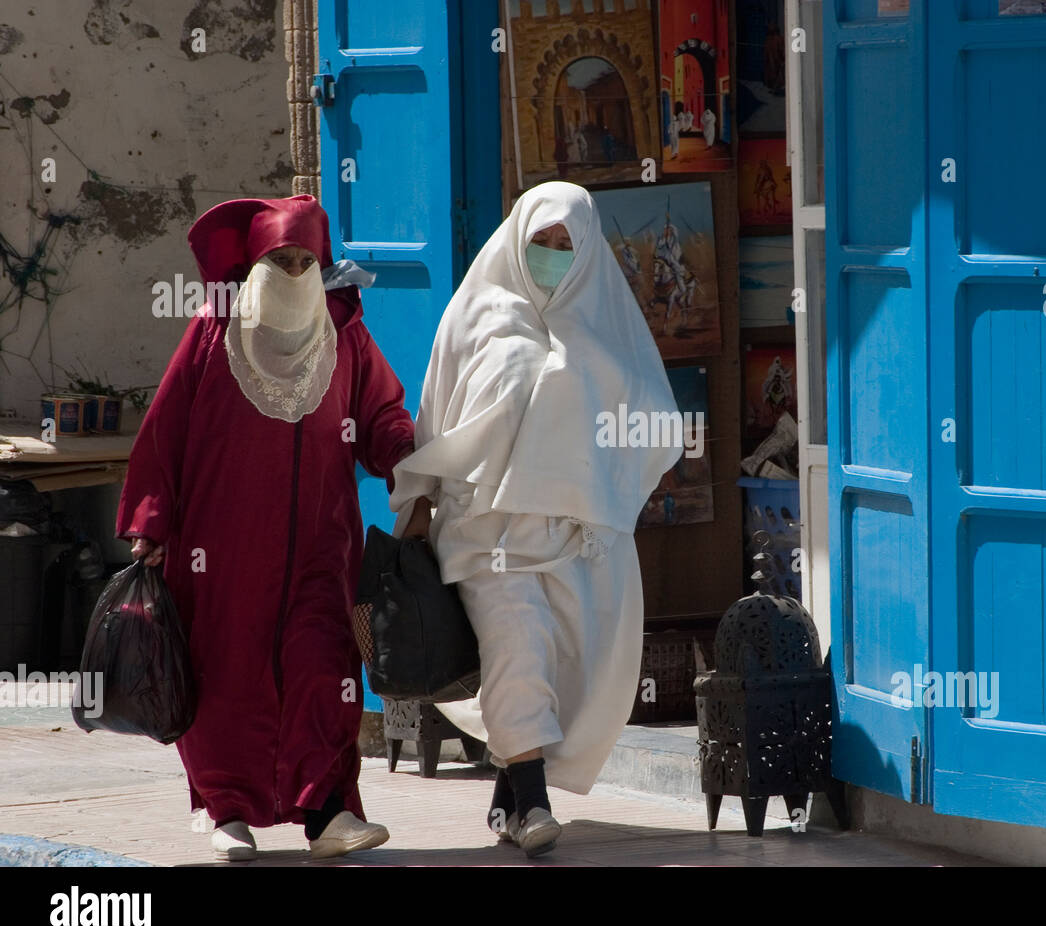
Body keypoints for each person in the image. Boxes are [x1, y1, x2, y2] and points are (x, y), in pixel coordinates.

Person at [117, 195, 415, 862]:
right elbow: (166, 431)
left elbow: (381, 413)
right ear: (254, 264)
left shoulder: (344, 335)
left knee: (321, 662)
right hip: (219, 549)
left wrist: (406, 459)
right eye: (279, 259)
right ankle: (226, 811)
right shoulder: (211, 332)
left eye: (305, 260)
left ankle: (328, 810)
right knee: (226, 669)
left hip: (321, 543)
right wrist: (152, 521)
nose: (293, 270)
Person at [390, 181, 681, 858]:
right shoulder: (476, 316)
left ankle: (511, 794)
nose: (550, 256)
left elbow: (653, 422)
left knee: (557, 666)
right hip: (484, 531)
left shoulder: (605, 328)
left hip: (573, 537)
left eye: (564, 245)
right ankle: (536, 805)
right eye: (539, 243)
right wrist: (419, 504)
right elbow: (435, 413)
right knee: (519, 648)